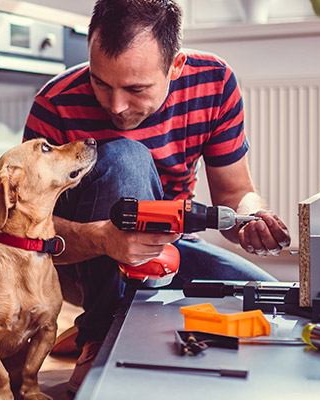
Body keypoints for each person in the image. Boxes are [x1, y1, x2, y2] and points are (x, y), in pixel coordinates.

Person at [21, 0, 293, 392]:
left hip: (167, 249)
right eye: (100, 82)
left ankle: (122, 324)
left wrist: (252, 218)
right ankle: (100, 334)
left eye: (135, 88)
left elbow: (236, 194)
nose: (115, 105)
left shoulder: (214, 83)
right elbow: (26, 232)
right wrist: (102, 238)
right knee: (124, 155)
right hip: (77, 260)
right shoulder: (56, 104)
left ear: (176, 66)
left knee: (275, 308)